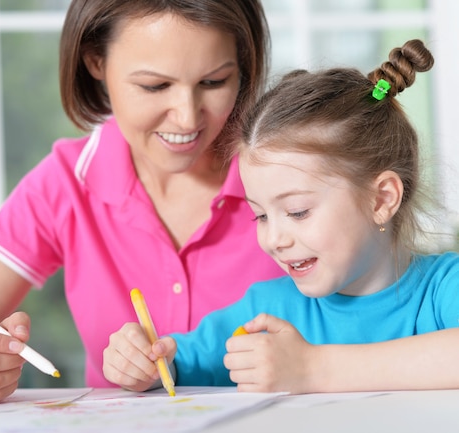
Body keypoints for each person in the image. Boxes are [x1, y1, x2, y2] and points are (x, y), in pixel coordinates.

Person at [0, 0, 284, 404]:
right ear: (95, 62)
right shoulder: (67, 184)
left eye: (213, 82)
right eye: (154, 86)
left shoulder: (286, 171)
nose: (186, 117)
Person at [103, 39, 459, 394]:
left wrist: (313, 369)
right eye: (260, 216)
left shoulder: (444, 288)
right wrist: (143, 361)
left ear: (381, 199)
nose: (274, 239)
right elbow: (179, 362)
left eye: (297, 212)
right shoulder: (266, 311)